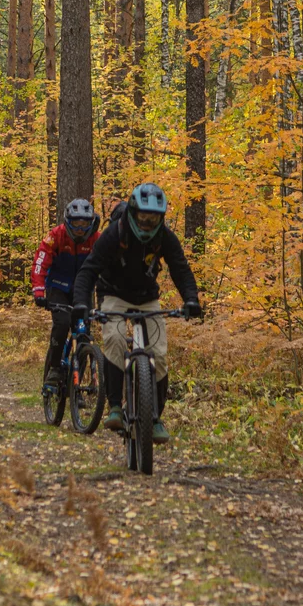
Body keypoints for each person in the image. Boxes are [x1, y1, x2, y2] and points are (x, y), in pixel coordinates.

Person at [71, 183, 201, 444]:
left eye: (153, 219)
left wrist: (191, 299)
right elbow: (89, 270)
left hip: (147, 298)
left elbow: (181, 269)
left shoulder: (165, 237)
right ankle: (116, 407)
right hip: (113, 294)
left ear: (161, 217)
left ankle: (154, 419)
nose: (146, 223)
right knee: (115, 340)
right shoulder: (113, 234)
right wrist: (81, 304)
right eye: (143, 217)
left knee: (160, 355)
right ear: (132, 212)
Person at [31, 198, 100, 387]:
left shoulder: (97, 239)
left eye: (84, 223)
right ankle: (54, 368)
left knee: (83, 335)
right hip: (58, 287)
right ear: (68, 222)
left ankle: (75, 386)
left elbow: (108, 266)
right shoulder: (56, 236)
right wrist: (39, 291)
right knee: (61, 324)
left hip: (83, 290)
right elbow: (40, 262)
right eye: (76, 223)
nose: (80, 228)